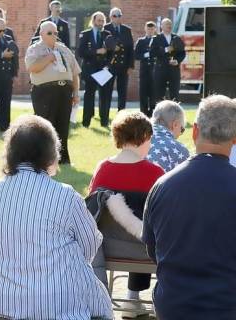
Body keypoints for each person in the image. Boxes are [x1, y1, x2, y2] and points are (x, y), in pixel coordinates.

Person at [0, 115, 112, 319]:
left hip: (3, 298)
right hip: (58, 302)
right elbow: (90, 244)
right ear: (50, 153)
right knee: (101, 303)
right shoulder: (66, 195)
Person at [143, 95, 236, 319]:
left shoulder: (162, 184)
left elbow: (152, 247)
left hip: (174, 304)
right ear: (234, 139)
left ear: (195, 131)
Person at [88, 111, 165, 315]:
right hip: (146, 250)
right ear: (145, 137)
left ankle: (131, 298)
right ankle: (133, 296)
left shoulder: (102, 169)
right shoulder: (155, 173)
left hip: (106, 249)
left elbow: (94, 209)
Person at [26, 21, 80, 164]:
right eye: (50, 33)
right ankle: (44, 159)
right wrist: (48, 58)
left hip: (64, 91)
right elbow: (32, 67)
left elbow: (75, 73)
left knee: (63, 125)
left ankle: (63, 158)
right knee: (45, 126)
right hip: (44, 91)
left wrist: (76, 93)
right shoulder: (35, 49)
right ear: (41, 34)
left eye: (55, 33)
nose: (54, 35)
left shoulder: (64, 49)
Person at [77, 11, 112, 128]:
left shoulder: (107, 34)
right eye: (99, 20)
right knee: (89, 96)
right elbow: (80, 52)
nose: (101, 23)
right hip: (89, 69)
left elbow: (111, 52)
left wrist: (108, 65)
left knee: (105, 96)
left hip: (103, 69)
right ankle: (86, 122)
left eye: (103, 21)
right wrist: (96, 51)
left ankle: (104, 122)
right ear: (93, 21)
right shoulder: (85, 34)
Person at [104, 7, 134, 112]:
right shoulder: (105, 28)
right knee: (107, 91)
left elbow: (131, 49)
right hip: (110, 65)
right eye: (114, 16)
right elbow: (103, 47)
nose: (117, 18)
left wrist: (131, 66)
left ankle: (121, 113)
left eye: (119, 15)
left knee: (122, 91)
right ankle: (105, 115)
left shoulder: (127, 30)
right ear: (110, 17)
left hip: (123, 65)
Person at [146, 100, 189, 172]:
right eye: (182, 129)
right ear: (175, 124)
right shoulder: (179, 149)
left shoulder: (136, 140)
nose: (180, 135)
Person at [151, 18, 185, 103]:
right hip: (161, 70)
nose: (169, 26)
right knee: (159, 94)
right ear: (161, 26)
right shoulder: (156, 38)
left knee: (175, 94)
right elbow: (152, 53)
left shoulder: (176, 38)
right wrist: (166, 49)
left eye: (170, 24)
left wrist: (177, 61)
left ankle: (176, 114)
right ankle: (160, 114)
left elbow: (182, 53)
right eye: (167, 24)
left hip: (174, 70)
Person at [135, 21, 157, 116]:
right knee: (143, 93)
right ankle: (143, 114)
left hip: (154, 70)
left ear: (154, 29)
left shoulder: (157, 40)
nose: (150, 31)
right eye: (148, 29)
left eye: (152, 29)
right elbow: (136, 55)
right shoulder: (141, 41)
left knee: (153, 94)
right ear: (145, 29)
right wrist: (145, 55)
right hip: (144, 71)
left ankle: (153, 114)